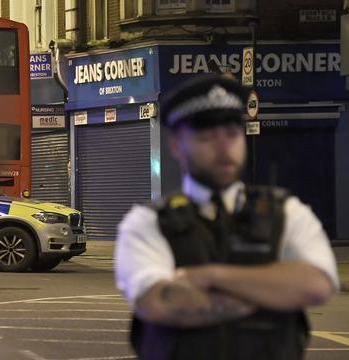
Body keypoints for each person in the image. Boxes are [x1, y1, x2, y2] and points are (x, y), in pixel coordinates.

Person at [115, 74, 339, 360]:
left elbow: (316, 285)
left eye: (232, 133)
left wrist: (209, 275)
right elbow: (158, 303)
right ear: (175, 146)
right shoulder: (146, 224)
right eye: (206, 136)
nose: (223, 147)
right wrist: (270, 293)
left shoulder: (287, 212)